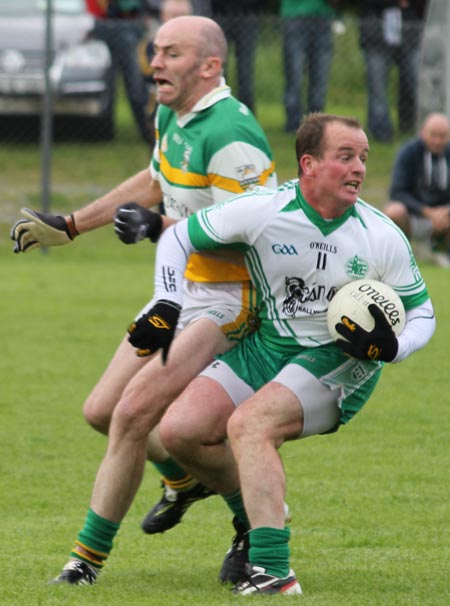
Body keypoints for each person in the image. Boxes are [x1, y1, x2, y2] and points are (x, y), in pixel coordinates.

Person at [10, 15, 277, 585]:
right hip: (182, 293)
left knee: (132, 415)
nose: (154, 63)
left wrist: (162, 227)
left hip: (233, 299)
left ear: (210, 67)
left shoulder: (231, 135)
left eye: (171, 54)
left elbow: (263, 235)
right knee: (101, 412)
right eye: (155, 52)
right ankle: (187, 482)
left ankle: (83, 564)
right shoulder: (172, 112)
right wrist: (72, 225)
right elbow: (155, 180)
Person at [136, 113, 435, 594]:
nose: (359, 167)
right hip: (269, 345)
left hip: (339, 359)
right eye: (345, 156)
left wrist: (393, 346)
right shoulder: (264, 209)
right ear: (309, 164)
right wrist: (166, 302)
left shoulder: (380, 233)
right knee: (180, 431)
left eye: (363, 157)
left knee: (249, 426)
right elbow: (177, 237)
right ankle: (257, 522)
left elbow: (423, 314)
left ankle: (274, 573)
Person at [85, 0, 156, 144]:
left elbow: (133, 8)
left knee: (136, 86)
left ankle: (148, 132)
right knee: (106, 85)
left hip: (128, 27)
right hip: (99, 25)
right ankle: (104, 133)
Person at [384, 112, 450, 267]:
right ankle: (400, 256)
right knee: (394, 211)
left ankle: (441, 251)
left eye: (443, 136)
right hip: (412, 215)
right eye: (433, 135)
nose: (437, 141)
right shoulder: (408, 152)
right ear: (423, 133)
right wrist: (428, 212)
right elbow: (397, 192)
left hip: (443, 217)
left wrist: (445, 212)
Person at [359, 0, 427, 142]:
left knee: (416, 82)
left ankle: (422, 129)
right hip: (376, 31)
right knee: (378, 87)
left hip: (410, 30)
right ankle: (381, 133)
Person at [280, 0, 339, 133]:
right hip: (295, 16)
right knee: (294, 74)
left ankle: (315, 125)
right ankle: (293, 124)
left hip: (323, 17)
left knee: (320, 76)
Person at [211, 0, 261, 113]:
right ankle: (218, 111)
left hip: (248, 15)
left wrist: (254, 7)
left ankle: (246, 114)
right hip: (220, 14)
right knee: (218, 68)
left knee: (245, 69)